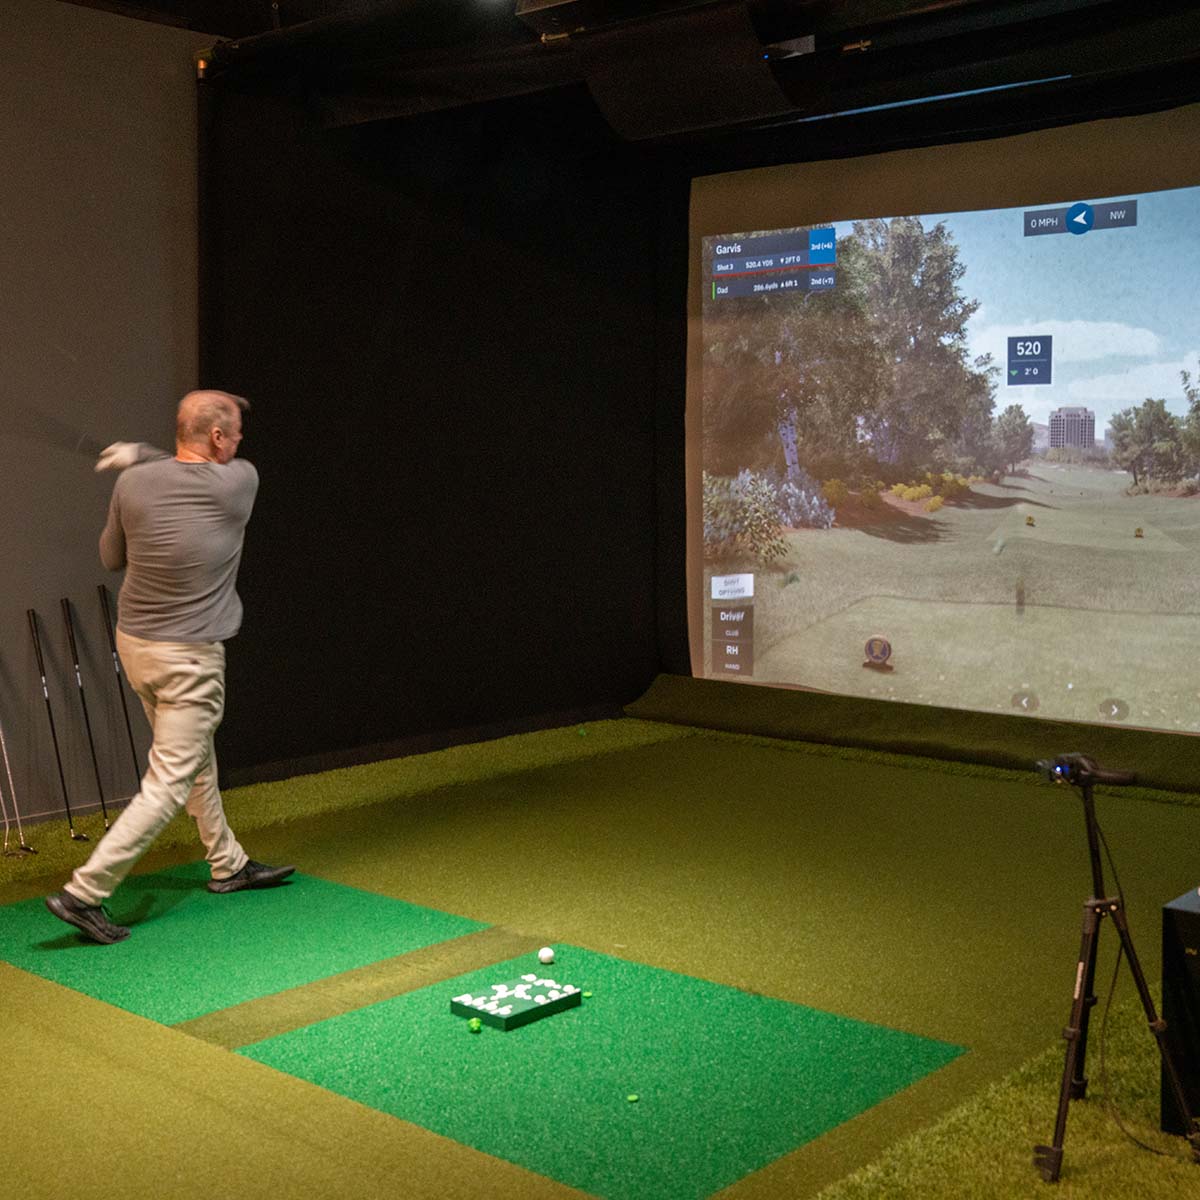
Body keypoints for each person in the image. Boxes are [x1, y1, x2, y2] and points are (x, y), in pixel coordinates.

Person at [45, 390, 294, 944]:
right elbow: (192, 472)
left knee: (194, 757)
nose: (240, 443)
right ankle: (84, 893)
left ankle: (228, 864)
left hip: (135, 646)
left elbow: (112, 558)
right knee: (168, 781)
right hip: (189, 659)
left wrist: (140, 462)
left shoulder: (131, 484)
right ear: (217, 439)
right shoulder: (240, 481)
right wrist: (146, 454)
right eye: (234, 433)